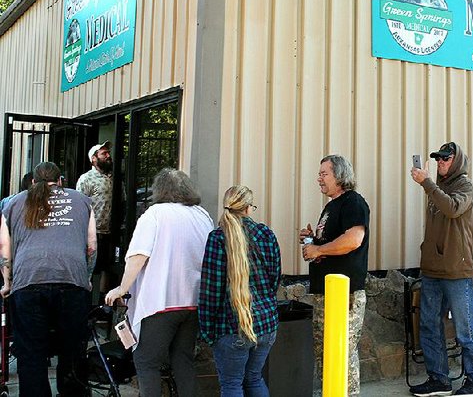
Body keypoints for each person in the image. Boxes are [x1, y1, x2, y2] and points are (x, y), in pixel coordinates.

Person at [105, 168, 214, 397]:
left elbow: (138, 256)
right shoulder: (202, 215)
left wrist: (121, 289)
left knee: (146, 361)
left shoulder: (155, 214)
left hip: (161, 301)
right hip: (194, 301)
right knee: (183, 360)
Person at [0, 162, 96, 397]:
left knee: (31, 351)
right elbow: (91, 245)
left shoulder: (14, 202)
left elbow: (5, 247)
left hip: (28, 280)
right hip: (72, 279)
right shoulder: (82, 200)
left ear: (33, 182)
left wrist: (7, 282)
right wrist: (87, 277)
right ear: (61, 181)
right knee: (72, 348)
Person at [409, 142, 473, 396]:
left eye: (445, 158)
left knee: (465, 329)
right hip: (432, 270)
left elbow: (453, 209)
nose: (440, 162)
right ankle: (439, 378)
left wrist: (427, 183)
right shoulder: (437, 189)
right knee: (429, 326)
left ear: (457, 160)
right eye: (438, 158)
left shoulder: (465, 185)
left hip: (457, 271)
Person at [200, 186, 281, 397]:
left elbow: (211, 291)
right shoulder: (266, 234)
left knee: (232, 385)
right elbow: (274, 279)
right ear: (248, 208)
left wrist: (207, 331)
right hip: (266, 324)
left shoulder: (217, 238)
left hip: (232, 326)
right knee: (254, 379)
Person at [299, 155, 370, 397]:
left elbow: (353, 239)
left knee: (341, 352)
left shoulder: (353, 202)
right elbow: (333, 243)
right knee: (325, 353)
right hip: (324, 293)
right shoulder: (331, 206)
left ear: (339, 176)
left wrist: (318, 249)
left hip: (344, 296)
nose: (318, 178)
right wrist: (313, 240)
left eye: (324, 173)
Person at [76, 140, 115, 294]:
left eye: (108, 153)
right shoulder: (86, 179)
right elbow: (79, 205)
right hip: (93, 231)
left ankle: (103, 304)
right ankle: (86, 300)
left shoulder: (113, 178)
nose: (108, 156)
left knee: (108, 267)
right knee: (90, 266)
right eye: (103, 153)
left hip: (111, 231)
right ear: (94, 158)